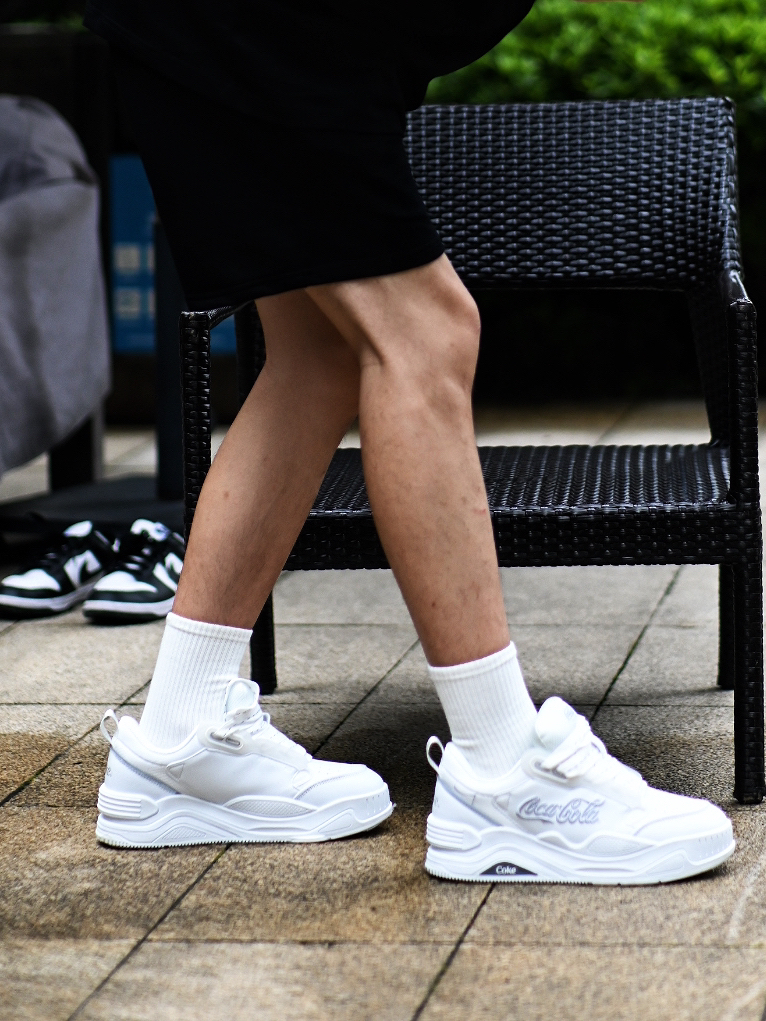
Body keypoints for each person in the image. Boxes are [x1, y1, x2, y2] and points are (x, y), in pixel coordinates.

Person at [85, 0, 735, 882]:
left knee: (319, 353)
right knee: (425, 331)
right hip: (262, 30)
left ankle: (180, 736)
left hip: (243, 36)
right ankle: (504, 775)